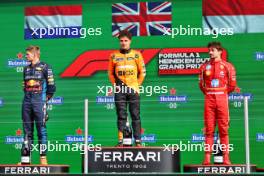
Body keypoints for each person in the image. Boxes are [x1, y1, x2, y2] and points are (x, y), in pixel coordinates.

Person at [199, 42, 238, 165]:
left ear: (220, 51)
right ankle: (207, 158)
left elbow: (232, 86)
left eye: (213, 50)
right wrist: (211, 93)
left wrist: (221, 93)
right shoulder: (204, 67)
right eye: (209, 50)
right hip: (209, 99)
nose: (210, 52)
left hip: (222, 99)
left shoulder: (228, 66)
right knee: (209, 129)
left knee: (224, 129)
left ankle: (226, 158)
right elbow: (201, 85)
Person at [108, 30, 146, 147]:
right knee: (121, 115)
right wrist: (116, 86)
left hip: (133, 89)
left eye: (126, 41)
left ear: (130, 41)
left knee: (135, 115)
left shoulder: (137, 55)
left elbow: (143, 72)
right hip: (120, 90)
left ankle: (138, 141)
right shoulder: (113, 56)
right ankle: (121, 141)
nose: (123, 43)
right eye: (121, 41)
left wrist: (136, 85)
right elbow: (110, 73)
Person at [21, 45, 56, 164]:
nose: (26, 56)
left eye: (28, 54)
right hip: (26, 101)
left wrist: (44, 101)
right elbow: (24, 86)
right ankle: (25, 160)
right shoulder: (25, 69)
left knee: (41, 130)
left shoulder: (46, 67)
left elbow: (51, 87)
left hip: (39, 101)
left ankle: (43, 158)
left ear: (34, 54)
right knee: (27, 131)